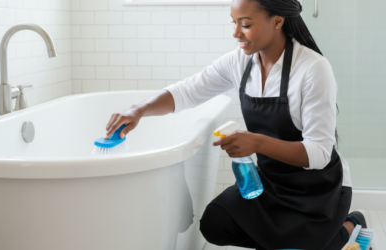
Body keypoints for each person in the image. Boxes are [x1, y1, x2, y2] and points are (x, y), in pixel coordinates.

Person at [104, 0, 373, 249]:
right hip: (271, 181)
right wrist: (138, 110)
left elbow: (319, 153)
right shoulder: (239, 61)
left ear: (277, 21)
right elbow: (187, 91)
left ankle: (351, 225)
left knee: (302, 244)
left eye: (245, 24)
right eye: (233, 22)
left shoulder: (313, 68)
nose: (236, 33)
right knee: (214, 224)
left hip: (319, 189)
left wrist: (255, 142)